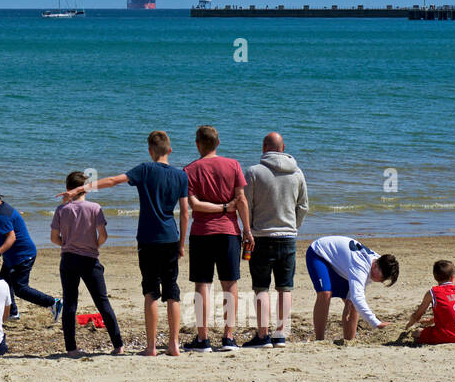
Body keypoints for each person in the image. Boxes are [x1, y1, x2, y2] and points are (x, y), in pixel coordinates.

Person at [66, 130, 189, 357]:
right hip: (171, 237)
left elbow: (113, 181)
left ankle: (151, 347)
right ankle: (174, 345)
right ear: (169, 150)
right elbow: (184, 213)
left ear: (150, 151)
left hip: (148, 239)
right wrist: (182, 242)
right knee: (172, 290)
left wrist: (83, 188)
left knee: (151, 291)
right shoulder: (181, 176)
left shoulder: (145, 169)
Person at [183, 125, 251, 352]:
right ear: (218, 143)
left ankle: (203, 338)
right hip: (229, 231)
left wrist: (220, 208)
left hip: (202, 232)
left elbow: (194, 205)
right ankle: (228, 337)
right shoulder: (233, 165)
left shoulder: (190, 169)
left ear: (197, 144)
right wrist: (247, 229)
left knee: (203, 284)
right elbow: (240, 200)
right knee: (230, 283)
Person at [241, 132, 309, 347]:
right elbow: (303, 206)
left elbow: (247, 204)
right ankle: (280, 334)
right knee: (285, 287)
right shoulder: (297, 173)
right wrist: (293, 226)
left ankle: (263, 335)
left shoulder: (254, 172)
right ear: (283, 147)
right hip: (288, 236)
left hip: (261, 236)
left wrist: (248, 229)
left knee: (261, 287)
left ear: (264, 147)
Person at [50, 172, 122, 356]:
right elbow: (103, 236)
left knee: (70, 303)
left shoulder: (61, 210)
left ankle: (71, 348)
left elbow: (54, 238)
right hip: (89, 259)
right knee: (102, 302)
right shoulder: (95, 208)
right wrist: (94, 245)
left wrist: (66, 243)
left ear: (68, 189)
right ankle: (118, 345)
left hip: (68, 259)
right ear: (86, 188)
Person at [0, 187, 61, 323]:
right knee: (3, 284)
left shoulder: (0, 215)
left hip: (22, 255)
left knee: (20, 289)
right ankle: (12, 313)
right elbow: (2, 235)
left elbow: (11, 238)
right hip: (14, 256)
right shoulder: (4, 208)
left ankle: (54, 303)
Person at [305, 235, 399, 341]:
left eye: (384, 279)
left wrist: (350, 300)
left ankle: (349, 341)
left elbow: (355, 299)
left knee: (352, 305)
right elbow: (358, 298)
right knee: (325, 293)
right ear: (375, 266)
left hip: (341, 264)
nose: (381, 281)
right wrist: (377, 323)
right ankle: (319, 339)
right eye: (382, 277)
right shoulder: (361, 266)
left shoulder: (379, 263)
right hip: (319, 253)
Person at [403, 260, 455, 345]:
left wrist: (409, 324)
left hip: (443, 335)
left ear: (435, 277)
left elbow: (418, 315)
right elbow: (454, 312)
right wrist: (432, 320)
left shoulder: (433, 292)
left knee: (417, 332)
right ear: (453, 277)